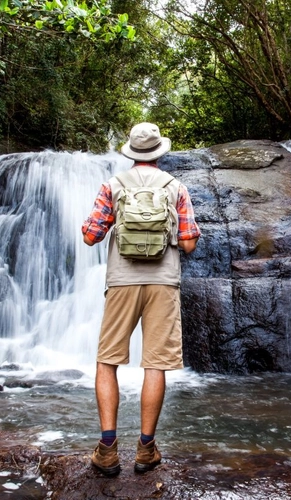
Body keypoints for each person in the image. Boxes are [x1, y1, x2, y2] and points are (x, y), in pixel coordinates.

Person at [81, 122, 201, 475]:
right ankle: (146, 450)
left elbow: (90, 236)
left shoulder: (113, 186)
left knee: (108, 361)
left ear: (131, 153)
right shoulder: (176, 188)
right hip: (163, 283)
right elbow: (190, 243)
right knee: (155, 364)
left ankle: (107, 450)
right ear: (160, 153)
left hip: (121, 282)